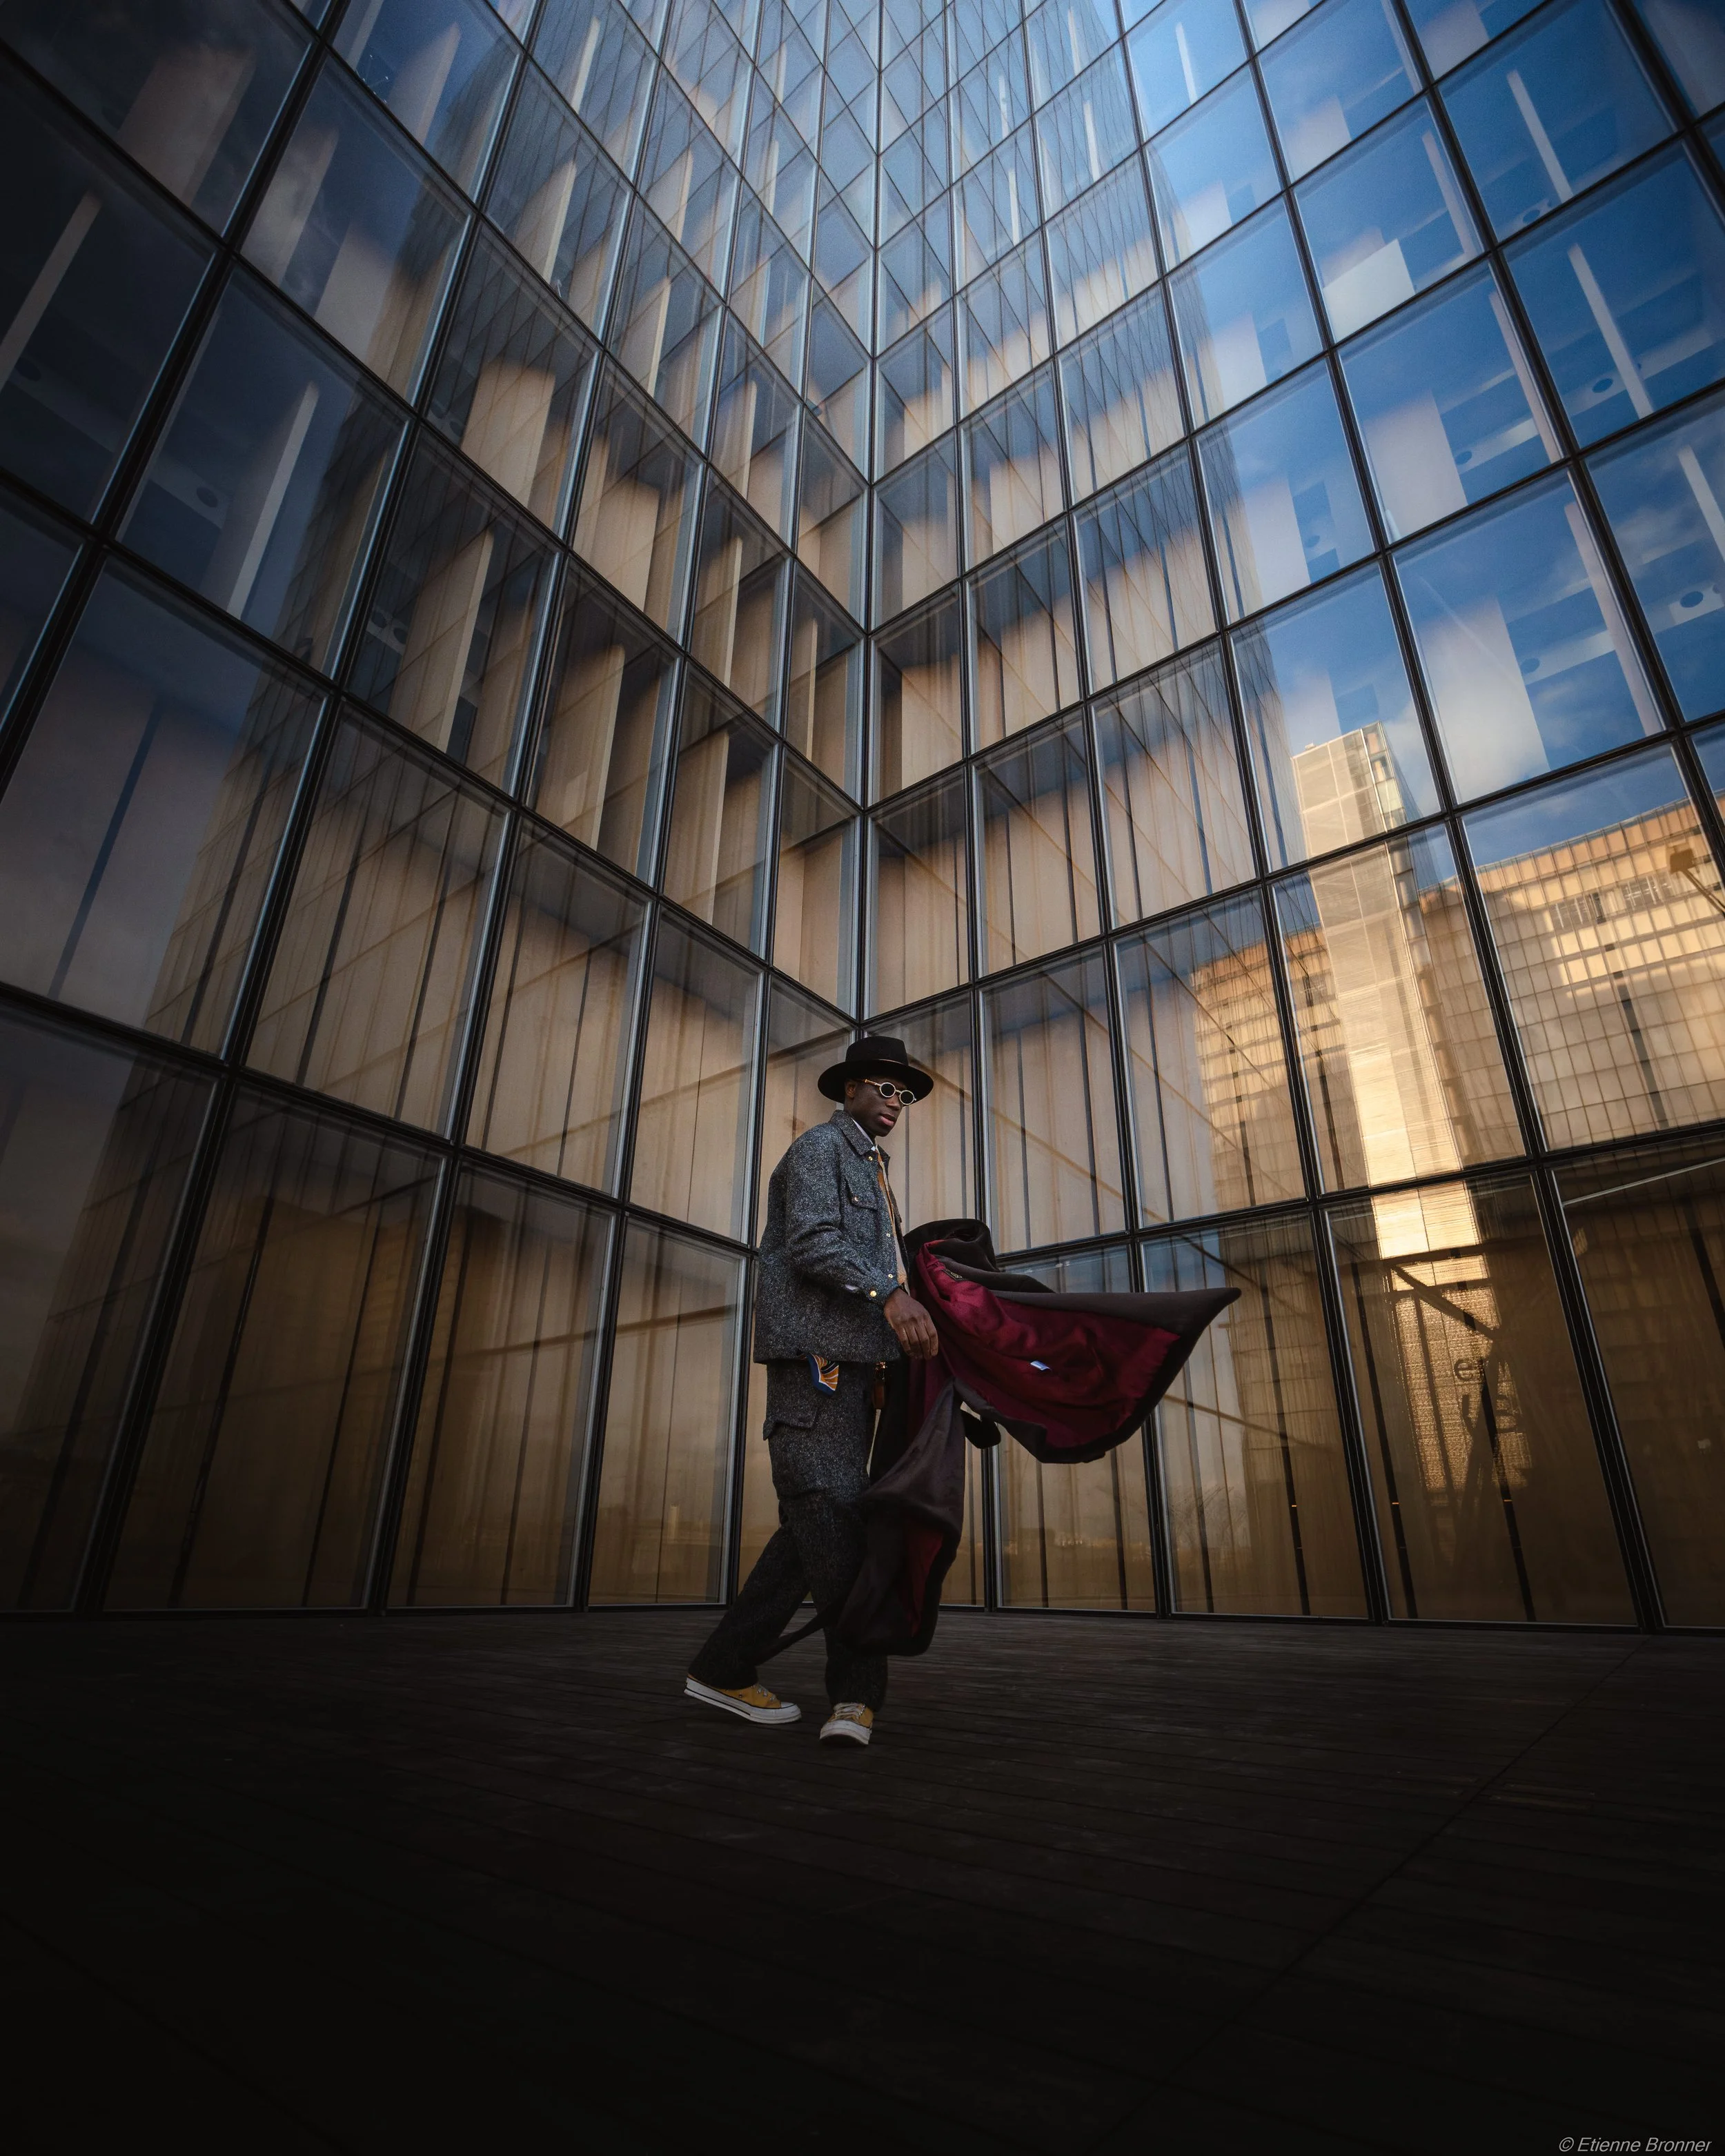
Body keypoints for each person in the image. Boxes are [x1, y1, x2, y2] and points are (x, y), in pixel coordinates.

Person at [684, 1034, 939, 1748]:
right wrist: (891, 1293)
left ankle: (722, 1664)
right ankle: (856, 1694)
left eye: (907, 1093)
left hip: (853, 1372)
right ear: (849, 1088)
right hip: (813, 1365)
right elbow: (813, 1241)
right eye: (886, 1088)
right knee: (832, 1514)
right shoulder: (818, 1151)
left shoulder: (875, 1170)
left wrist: (883, 1359)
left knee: (812, 1526)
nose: (897, 1102)